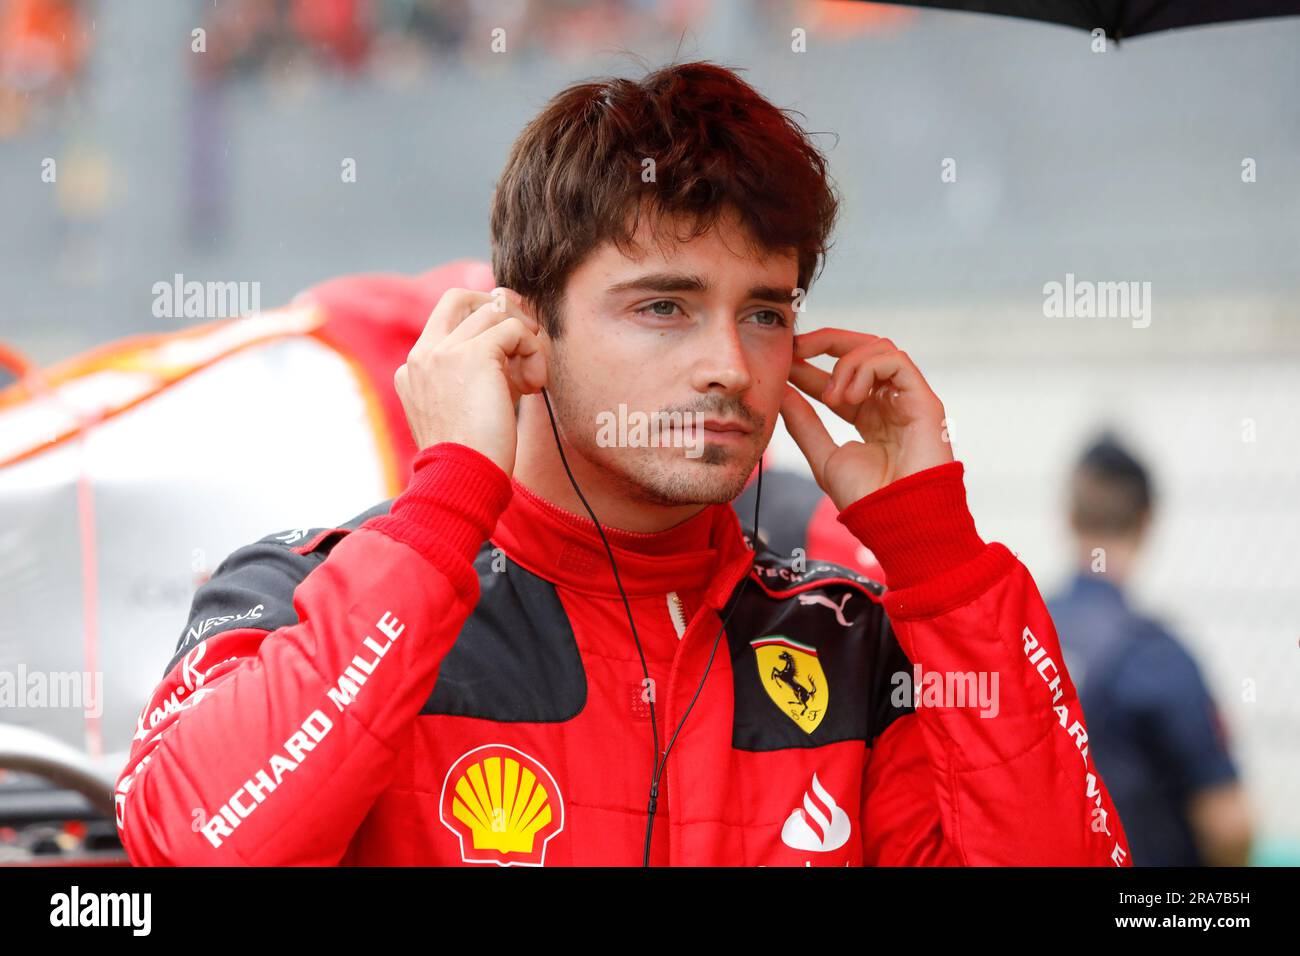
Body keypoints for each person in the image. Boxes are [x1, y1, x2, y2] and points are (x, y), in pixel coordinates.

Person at [113, 61, 1130, 866]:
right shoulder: (302, 593)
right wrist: (444, 505)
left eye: (765, 312)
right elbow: (196, 840)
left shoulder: (853, 645)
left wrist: (937, 553)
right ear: (524, 328)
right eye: (663, 306)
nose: (730, 367)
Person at [1047, 434, 1252, 866]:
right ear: (1147, 520)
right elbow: (1229, 824)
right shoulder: (1158, 656)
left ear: (1069, 515)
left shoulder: (1021, 637)